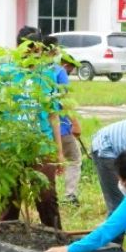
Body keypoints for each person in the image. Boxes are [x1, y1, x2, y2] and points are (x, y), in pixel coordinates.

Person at [0, 27, 63, 229]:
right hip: (10, 147)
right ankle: (7, 243)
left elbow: (53, 115)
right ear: (19, 49)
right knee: (10, 200)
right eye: (29, 50)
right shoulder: (3, 74)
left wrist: (58, 151)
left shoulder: (46, 75)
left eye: (37, 51)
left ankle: (56, 240)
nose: (33, 55)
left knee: (47, 198)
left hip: (41, 146)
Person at [45, 37, 82, 206]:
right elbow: (65, 100)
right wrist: (75, 122)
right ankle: (70, 195)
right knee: (74, 158)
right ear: (54, 50)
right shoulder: (58, 71)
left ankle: (46, 195)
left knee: (46, 163)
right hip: (61, 126)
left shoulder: (32, 71)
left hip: (41, 128)